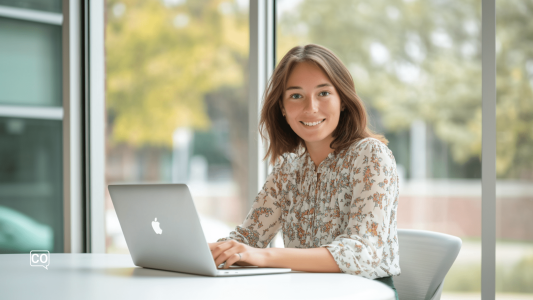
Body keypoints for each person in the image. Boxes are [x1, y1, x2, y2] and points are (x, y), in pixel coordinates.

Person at [209, 44, 400, 298]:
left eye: (323, 93)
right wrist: (202, 252)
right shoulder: (288, 166)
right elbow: (249, 238)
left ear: (342, 100)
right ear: (282, 108)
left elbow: (361, 252)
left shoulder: (371, 156)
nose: (311, 107)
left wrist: (266, 256)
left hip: (363, 293)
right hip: (302, 292)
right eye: (296, 96)